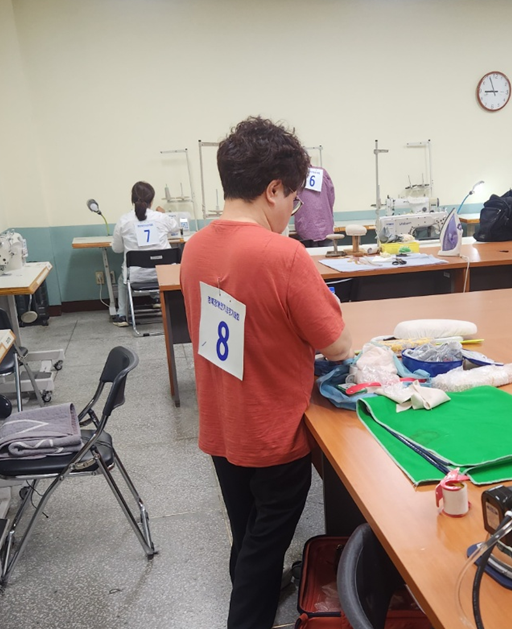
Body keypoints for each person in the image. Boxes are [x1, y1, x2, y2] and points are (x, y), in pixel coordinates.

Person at [179, 117, 353, 629]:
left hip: (223, 426)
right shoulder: (283, 254)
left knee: (247, 531)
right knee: (264, 544)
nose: (292, 212)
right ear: (274, 189)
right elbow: (338, 345)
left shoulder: (195, 248)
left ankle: (255, 591)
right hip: (275, 436)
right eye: (293, 200)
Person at [111, 181, 178, 326]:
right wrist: (164, 214)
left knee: (123, 279)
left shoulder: (124, 220)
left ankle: (122, 315)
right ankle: (158, 299)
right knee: (155, 263)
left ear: (132, 199)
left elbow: (117, 249)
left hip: (136, 275)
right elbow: (175, 227)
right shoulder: (161, 218)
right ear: (151, 200)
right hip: (166, 275)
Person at [294, 166, 335, 247]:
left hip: (305, 228)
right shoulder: (322, 172)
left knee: (309, 254)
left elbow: (293, 202)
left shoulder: (296, 176)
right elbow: (331, 197)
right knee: (328, 253)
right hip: (325, 227)